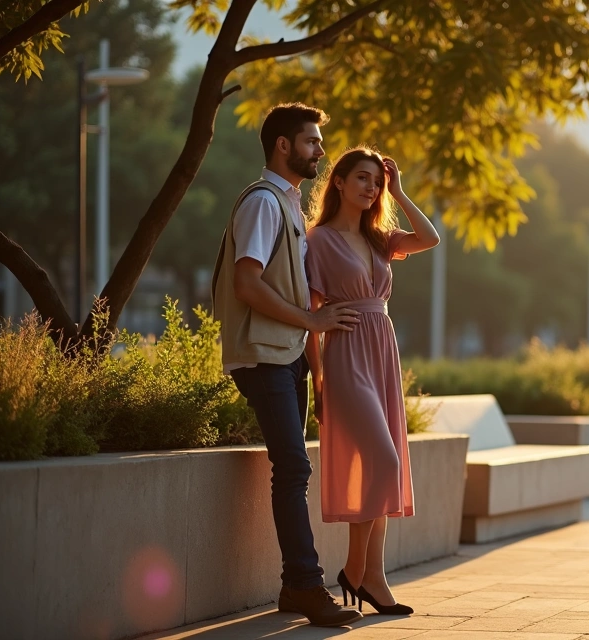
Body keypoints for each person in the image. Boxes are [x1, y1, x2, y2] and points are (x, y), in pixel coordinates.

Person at [211, 102, 363, 627]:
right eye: (311, 141)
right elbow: (246, 283)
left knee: (293, 468)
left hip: (287, 355)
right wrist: (309, 320)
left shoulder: (288, 205)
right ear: (283, 145)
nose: (320, 149)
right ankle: (304, 584)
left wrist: (315, 366)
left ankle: (294, 587)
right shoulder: (263, 204)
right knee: (294, 467)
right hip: (265, 356)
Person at [303, 147, 441, 615]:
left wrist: (399, 190)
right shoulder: (318, 241)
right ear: (337, 182)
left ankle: (372, 578)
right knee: (383, 460)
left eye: (376, 182)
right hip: (345, 356)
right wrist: (317, 385)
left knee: (384, 466)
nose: (370, 188)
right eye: (361, 178)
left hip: (382, 351)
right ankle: (355, 568)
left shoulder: (380, 238)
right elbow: (310, 319)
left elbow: (431, 238)